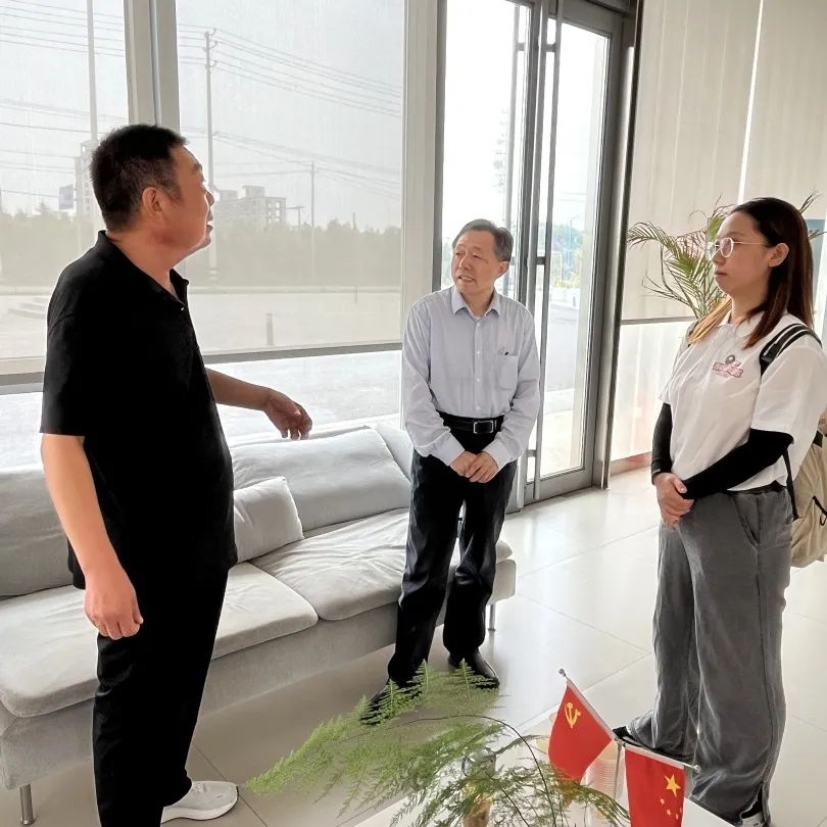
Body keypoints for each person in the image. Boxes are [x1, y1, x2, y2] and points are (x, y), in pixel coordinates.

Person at [40, 124, 312, 827]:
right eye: (198, 180)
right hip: (138, 555)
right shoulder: (89, 291)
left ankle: (168, 784)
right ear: (156, 201)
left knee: (181, 681)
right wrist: (102, 570)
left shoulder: (161, 285)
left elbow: (183, 372)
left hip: (196, 542)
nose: (211, 196)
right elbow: (60, 443)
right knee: (132, 703)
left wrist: (262, 397)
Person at [615, 197, 827, 827]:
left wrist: (686, 487)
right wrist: (660, 474)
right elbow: (670, 409)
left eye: (734, 243)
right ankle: (670, 733)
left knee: (738, 660)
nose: (718, 254)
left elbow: (769, 444)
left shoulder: (793, 344)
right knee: (674, 630)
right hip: (684, 507)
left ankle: (737, 790)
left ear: (778, 254)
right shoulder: (709, 327)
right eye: (718, 243)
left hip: (741, 514)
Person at [371, 218, 540, 705]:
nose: (463, 263)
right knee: (425, 564)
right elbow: (415, 398)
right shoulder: (427, 314)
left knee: (479, 559)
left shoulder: (518, 320)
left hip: (495, 449)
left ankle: (465, 651)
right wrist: (454, 454)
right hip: (438, 448)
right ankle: (405, 675)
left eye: (477, 255)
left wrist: (498, 453)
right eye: (458, 252)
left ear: (502, 267)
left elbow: (528, 394)